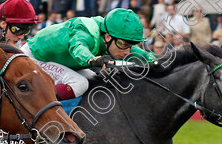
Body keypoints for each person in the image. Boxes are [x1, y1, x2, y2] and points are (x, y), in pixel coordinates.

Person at [21, 8, 154, 103]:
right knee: (79, 84)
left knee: (95, 79)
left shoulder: (110, 34)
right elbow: (78, 47)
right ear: (108, 37)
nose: (127, 52)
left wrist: (154, 60)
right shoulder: (86, 32)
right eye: (124, 45)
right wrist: (93, 59)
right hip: (33, 57)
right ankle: (42, 117)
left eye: (129, 46)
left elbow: (137, 51)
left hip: (58, 61)